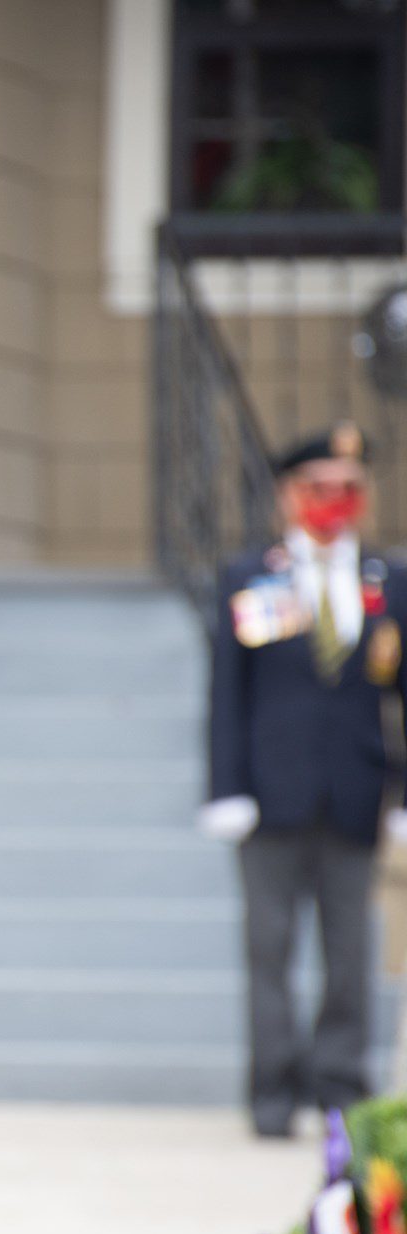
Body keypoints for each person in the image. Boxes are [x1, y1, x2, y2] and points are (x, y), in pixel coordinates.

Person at [201, 422, 407, 1139]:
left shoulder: (388, 582)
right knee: (269, 949)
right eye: (319, 489)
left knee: (350, 954)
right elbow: (228, 692)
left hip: (354, 796)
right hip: (269, 797)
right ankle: (272, 1091)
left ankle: (341, 1088)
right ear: (291, 496)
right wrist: (225, 787)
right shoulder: (251, 577)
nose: (334, 503)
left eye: (348, 489)